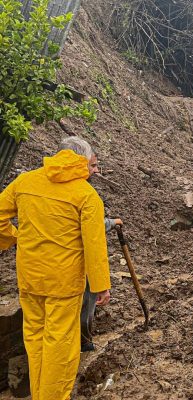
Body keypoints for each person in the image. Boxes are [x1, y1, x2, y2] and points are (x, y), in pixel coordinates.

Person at [0, 137, 111, 400]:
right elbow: (94, 245)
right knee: (60, 347)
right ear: (81, 161)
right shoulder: (86, 195)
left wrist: (14, 237)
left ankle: (39, 394)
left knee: (36, 340)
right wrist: (100, 286)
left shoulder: (25, 182)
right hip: (63, 285)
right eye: (93, 165)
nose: (95, 170)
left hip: (29, 280)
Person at [80, 216, 122, 352]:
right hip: (77, 262)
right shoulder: (83, 196)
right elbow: (92, 224)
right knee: (86, 304)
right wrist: (112, 222)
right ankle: (84, 342)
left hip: (43, 264)